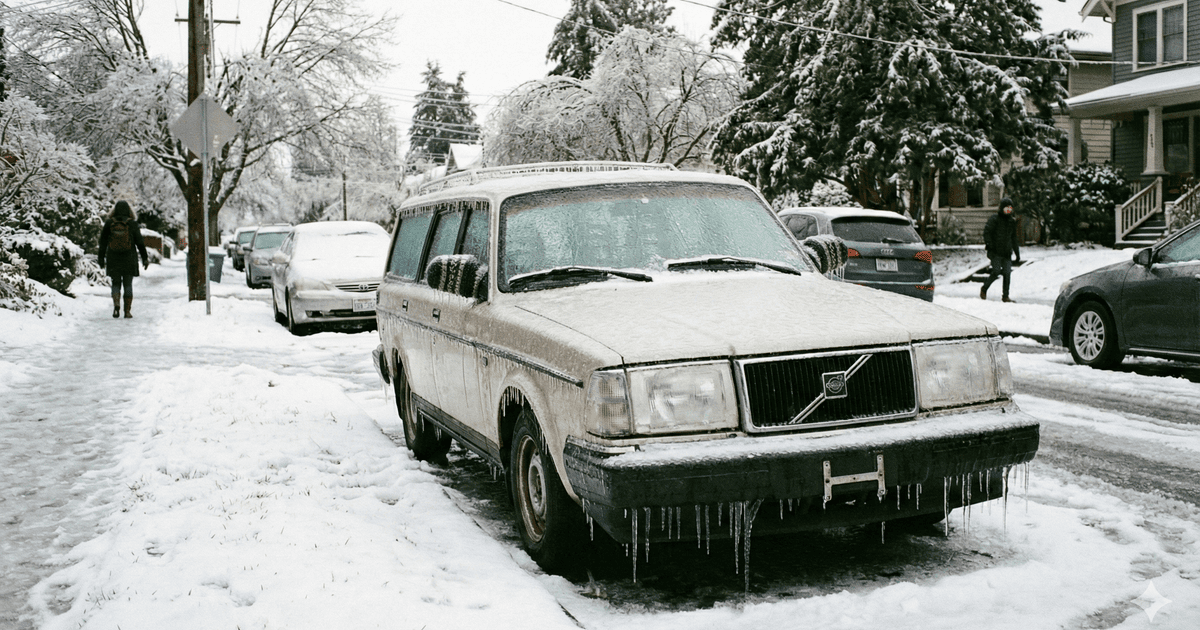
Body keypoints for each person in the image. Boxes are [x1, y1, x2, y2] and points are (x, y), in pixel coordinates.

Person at [97, 200, 150, 318]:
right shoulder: (132, 224)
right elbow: (140, 242)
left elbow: (103, 243)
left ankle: (116, 306)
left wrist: (101, 259)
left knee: (115, 283)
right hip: (129, 257)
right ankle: (127, 311)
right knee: (128, 284)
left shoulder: (109, 223)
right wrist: (145, 258)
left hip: (113, 257)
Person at [981, 197, 1021, 303]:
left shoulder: (1011, 222)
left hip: (1007, 252)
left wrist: (1017, 253)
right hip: (995, 251)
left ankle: (1005, 296)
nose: (1008, 211)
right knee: (996, 271)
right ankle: (984, 288)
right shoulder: (995, 219)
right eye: (1006, 208)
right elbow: (987, 232)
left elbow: (1014, 238)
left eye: (1010, 208)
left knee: (1007, 273)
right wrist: (989, 245)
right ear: (1002, 208)